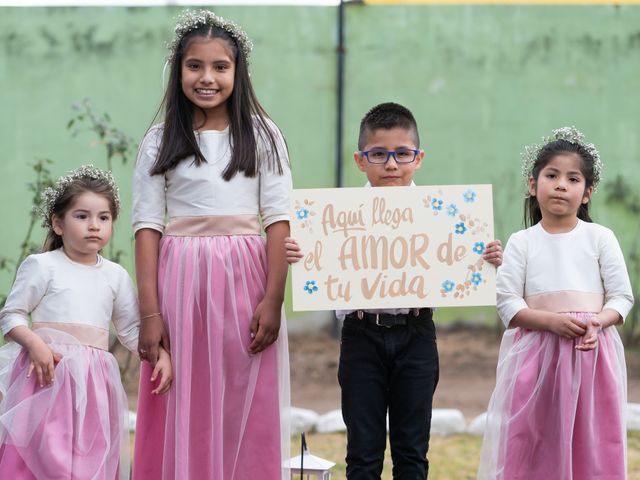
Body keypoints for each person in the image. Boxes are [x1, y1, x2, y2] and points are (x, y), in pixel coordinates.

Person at [286, 102, 503, 479]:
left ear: (418, 158)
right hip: (360, 336)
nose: (391, 164)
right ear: (360, 160)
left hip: (416, 334)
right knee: (363, 455)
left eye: (402, 154)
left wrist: (484, 256)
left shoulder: (443, 214)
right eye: (379, 154)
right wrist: (301, 252)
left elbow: (457, 257)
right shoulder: (335, 216)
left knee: (412, 453)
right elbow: (321, 260)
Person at [132, 9, 292, 480]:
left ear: (238, 72)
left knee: (244, 391)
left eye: (220, 67)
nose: (207, 77)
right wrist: (150, 312)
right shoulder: (159, 141)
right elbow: (146, 227)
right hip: (179, 280)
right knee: (184, 393)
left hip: (246, 280)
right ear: (178, 70)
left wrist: (273, 297)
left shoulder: (263, 135)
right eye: (195, 66)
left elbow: (279, 223)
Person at [477, 127, 634, 480]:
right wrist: (549, 322)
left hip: (591, 357)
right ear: (533, 185)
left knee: (591, 438)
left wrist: (598, 321)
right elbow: (508, 304)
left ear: (587, 193)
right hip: (536, 358)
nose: (561, 185)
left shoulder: (600, 238)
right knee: (533, 436)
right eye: (551, 175)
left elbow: (622, 297)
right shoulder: (522, 242)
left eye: (572, 178)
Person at [0, 165, 172, 479]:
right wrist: (35, 344)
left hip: (94, 387)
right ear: (58, 223)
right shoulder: (42, 266)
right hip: (46, 379)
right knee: (38, 458)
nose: (94, 226)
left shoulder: (115, 276)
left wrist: (159, 355)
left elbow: (132, 330)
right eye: (82, 216)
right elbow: (11, 316)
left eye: (103, 218)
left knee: (86, 460)